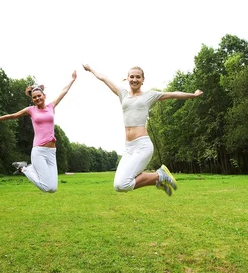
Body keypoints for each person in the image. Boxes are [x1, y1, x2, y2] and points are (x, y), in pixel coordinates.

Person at [82, 64, 203, 196]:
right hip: (128, 148)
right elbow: (104, 78)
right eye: (132, 77)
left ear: (143, 79)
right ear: (127, 78)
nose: (135, 79)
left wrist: (193, 95)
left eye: (138, 77)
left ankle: (159, 176)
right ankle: (159, 179)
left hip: (142, 145)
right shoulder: (123, 94)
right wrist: (90, 69)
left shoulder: (149, 95)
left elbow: (173, 94)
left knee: (124, 184)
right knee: (118, 185)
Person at [0, 71, 77, 193]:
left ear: (44, 96)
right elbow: (13, 115)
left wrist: (72, 79)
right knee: (47, 188)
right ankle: (24, 168)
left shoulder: (51, 106)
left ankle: (24, 168)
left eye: (39, 96)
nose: (37, 98)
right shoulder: (30, 110)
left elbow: (64, 91)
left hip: (52, 152)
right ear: (32, 99)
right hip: (39, 151)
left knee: (53, 188)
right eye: (34, 97)